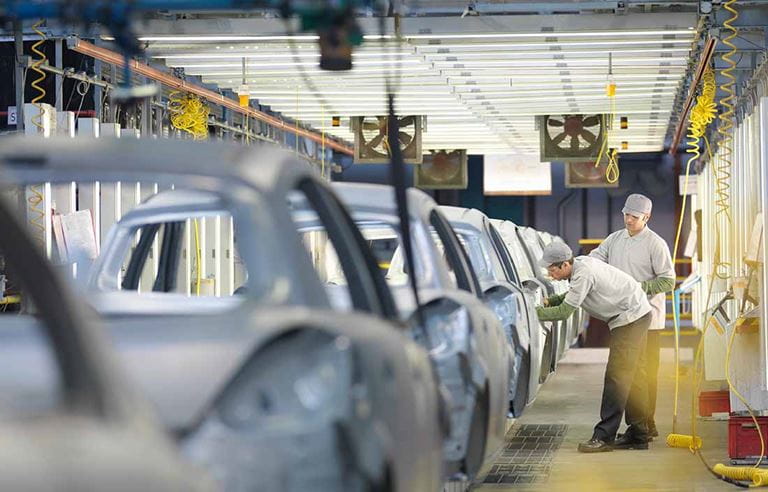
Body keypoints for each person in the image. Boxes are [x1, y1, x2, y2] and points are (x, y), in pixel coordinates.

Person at [535, 241, 652, 453]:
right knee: (633, 376)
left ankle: (604, 437)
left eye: (551, 268)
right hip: (638, 312)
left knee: (617, 377)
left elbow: (564, 312)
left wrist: (532, 312)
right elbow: (572, 295)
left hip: (630, 318)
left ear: (564, 265)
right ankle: (639, 434)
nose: (549, 273)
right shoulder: (580, 266)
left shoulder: (583, 273)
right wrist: (549, 301)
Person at [589, 194, 675, 440]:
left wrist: (639, 288)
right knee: (633, 372)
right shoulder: (614, 239)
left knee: (646, 373)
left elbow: (668, 280)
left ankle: (647, 422)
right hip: (624, 317)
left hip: (650, 318)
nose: (628, 219)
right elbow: (596, 259)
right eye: (626, 214)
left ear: (646, 218)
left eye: (634, 217)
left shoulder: (655, 243)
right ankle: (642, 426)